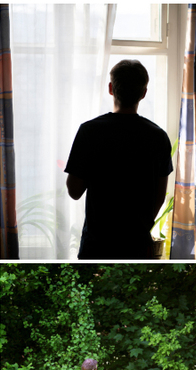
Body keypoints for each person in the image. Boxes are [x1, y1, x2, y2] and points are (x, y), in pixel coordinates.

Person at [65, 59, 173, 259]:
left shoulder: (90, 131)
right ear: (143, 93)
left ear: (110, 88)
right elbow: (160, 195)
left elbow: (74, 191)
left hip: (97, 245)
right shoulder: (158, 136)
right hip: (137, 244)